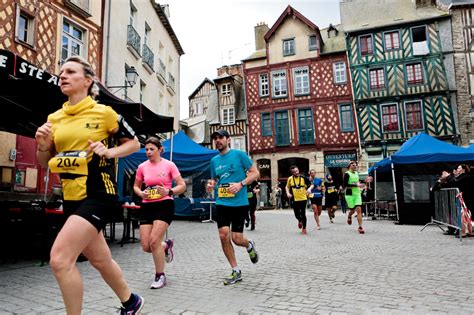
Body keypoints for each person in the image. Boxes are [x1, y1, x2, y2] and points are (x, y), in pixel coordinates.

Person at [35, 56, 144, 315]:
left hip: (99, 194)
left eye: (70, 71)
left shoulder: (104, 113)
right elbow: (44, 162)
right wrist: (41, 145)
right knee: (100, 259)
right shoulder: (54, 117)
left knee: (60, 260)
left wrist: (108, 153)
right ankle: (131, 302)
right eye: (61, 72)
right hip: (71, 197)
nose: (63, 75)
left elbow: (135, 143)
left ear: (87, 80)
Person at [207, 129, 260, 285]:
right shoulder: (214, 161)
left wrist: (241, 184)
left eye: (220, 137)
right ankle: (235, 270)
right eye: (215, 138)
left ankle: (249, 245)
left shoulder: (239, 155)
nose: (217, 140)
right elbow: (213, 180)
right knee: (224, 235)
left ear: (228, 139)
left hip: (239, 203)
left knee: (237, 239)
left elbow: (255, 173)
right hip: (222, 202)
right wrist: (210, 186)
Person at [133, 137, 186, 289]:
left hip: (164, 204)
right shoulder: (142, 167)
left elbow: (182, 186)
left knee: (154, 241)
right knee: (146, 246)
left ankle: (160, 275)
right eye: (146, 149)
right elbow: (136, 186)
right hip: (147, 206)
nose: (148, 152)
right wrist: (141, 193)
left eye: (151, 149)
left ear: (160, 149)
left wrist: (170, 190)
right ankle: (166, 246)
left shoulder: (169, 165)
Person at [286, 165, 311, 234]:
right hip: (294, 199)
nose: (296, 173)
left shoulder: (304, 178)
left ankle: (304, 228)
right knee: (296, 214)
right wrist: (288, 193)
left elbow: (311, 184)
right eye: (294, 172)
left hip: (303, 198)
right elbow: (287, 187)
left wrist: (309, 189)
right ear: (292, 173)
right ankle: (300, 220)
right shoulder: (290, 179)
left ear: (298, 170)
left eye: (297, 171)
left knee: (303, 213)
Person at [344, 161, 366, 234]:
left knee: (359, 209)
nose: (355, 166)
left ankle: (360, 227)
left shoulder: (356, 173)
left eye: (356, 165)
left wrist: (363, 183)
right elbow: (345, 185)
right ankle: (349, 216)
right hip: (349, 194)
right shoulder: (347, 174)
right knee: (352, 210)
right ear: (349, 166)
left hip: (357, 194)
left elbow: (357, 182)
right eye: (353, 165)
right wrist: (356, 185)